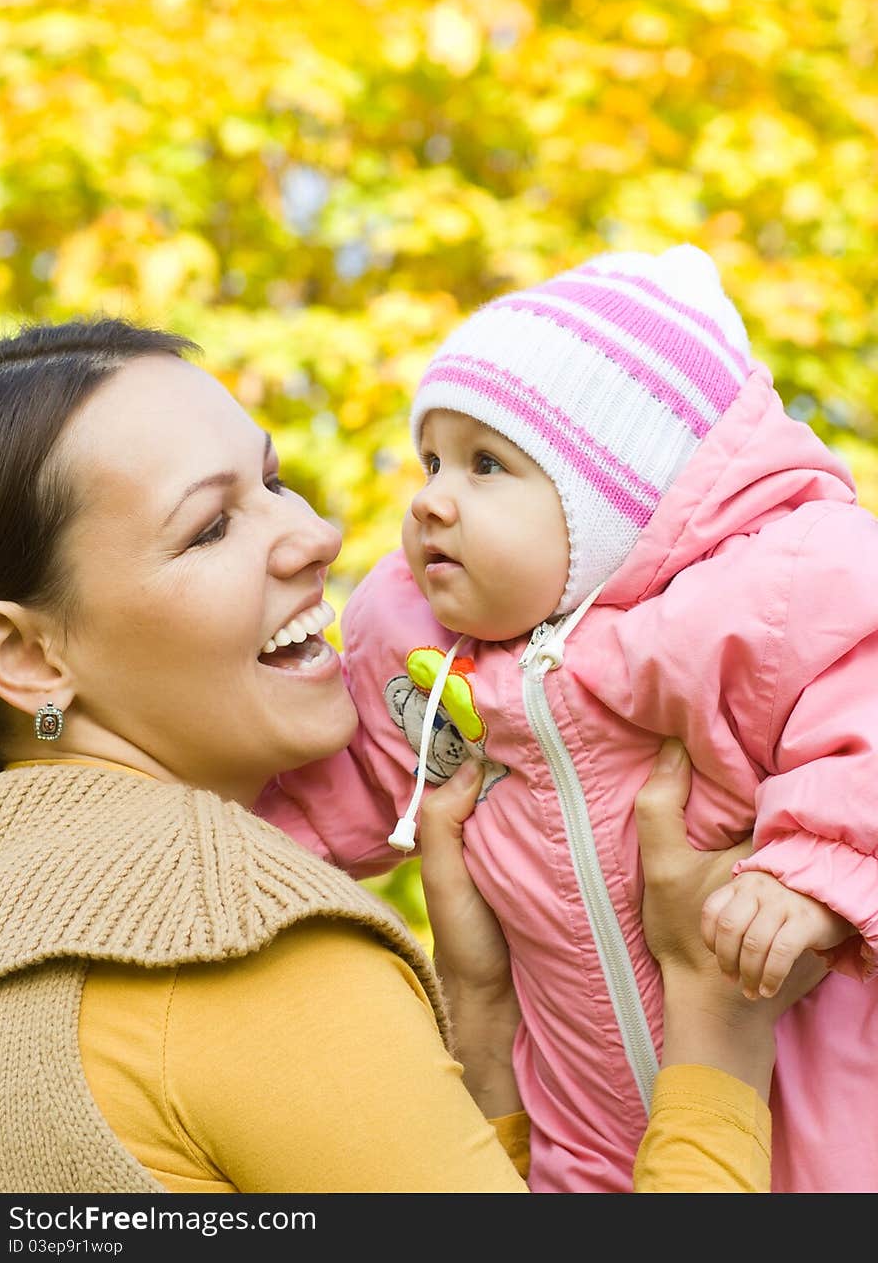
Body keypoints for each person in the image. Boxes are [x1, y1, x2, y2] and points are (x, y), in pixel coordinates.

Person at [0, 316, 810, 1196]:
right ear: (30, 657)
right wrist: (716, 1029)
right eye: (209, 528)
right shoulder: (235, 937)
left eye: (274, 480)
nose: (319, 533)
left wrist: (480, 1018)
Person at [256, 244, 878, 1194]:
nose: (429, 498)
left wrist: (813, 871)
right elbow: (342, 785)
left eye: (486, 464)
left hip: (809, 1110)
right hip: (577, 1142)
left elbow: (859, 717)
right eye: (431, 459)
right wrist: (237, 853)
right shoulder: (425, 658)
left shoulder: (761, 600)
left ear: (617, 503)